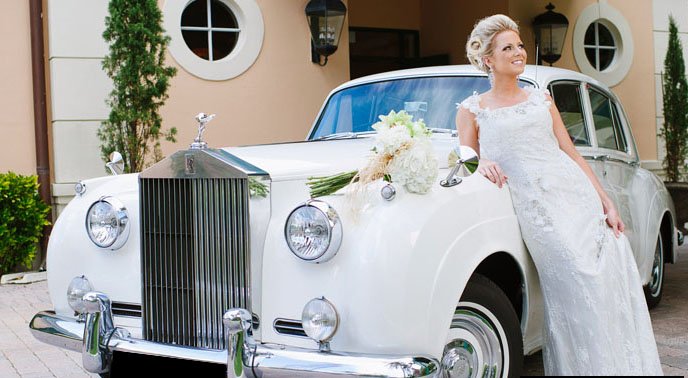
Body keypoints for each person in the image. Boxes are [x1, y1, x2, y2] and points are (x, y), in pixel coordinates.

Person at [456, 14, 663, 376]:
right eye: (508, 48)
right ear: (488, 59)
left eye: (519, 45)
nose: (518, 52)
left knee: (599, 285)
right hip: (539, 212)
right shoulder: (472, 109)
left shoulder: (541, 99)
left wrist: (605, 200)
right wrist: (481, 158)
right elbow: (465, 156)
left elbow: (569, 151)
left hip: (575, 199)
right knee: (573, 284)